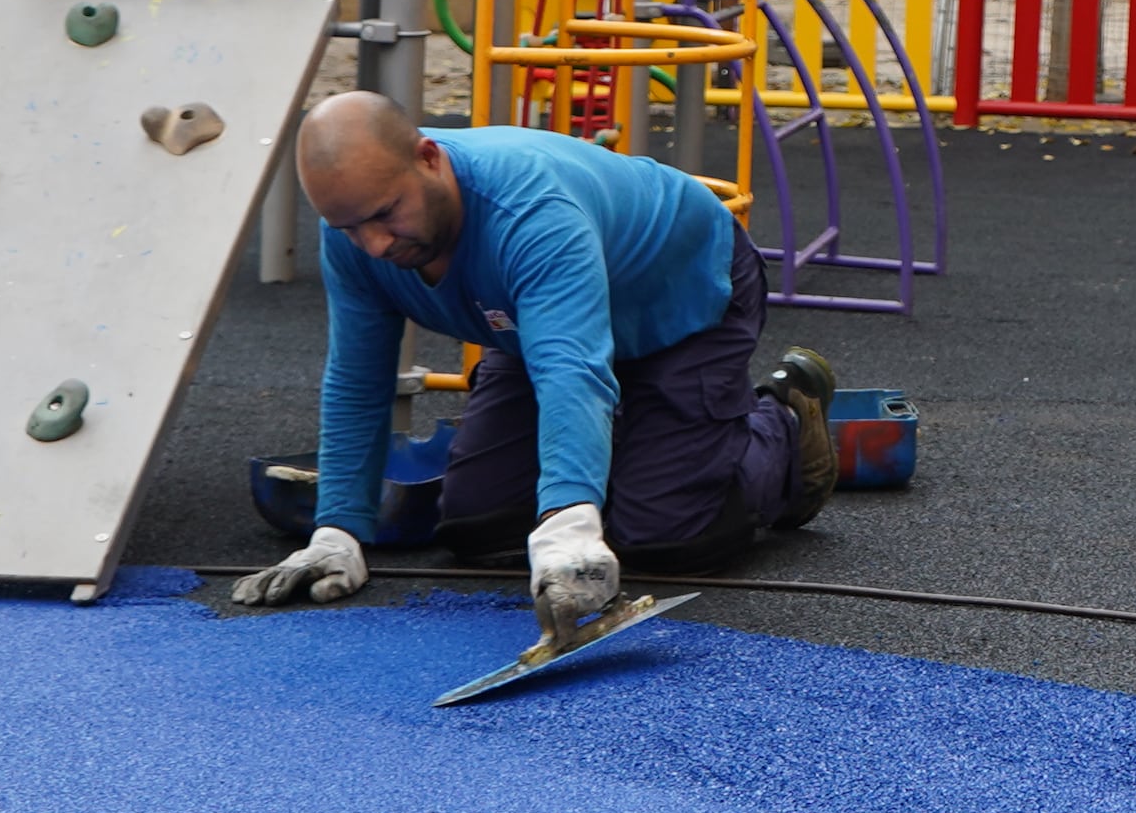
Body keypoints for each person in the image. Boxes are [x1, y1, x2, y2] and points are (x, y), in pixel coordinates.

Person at [234, 90, 842, 629]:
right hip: (535, 330)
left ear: (427, 157)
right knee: (477, 527)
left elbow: (570, 369)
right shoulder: (356, 229)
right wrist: (338, 529)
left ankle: (780, 430)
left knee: (667, 535)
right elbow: (356, 381)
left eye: (387, 215)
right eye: (350, 227)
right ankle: (642, 439)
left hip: (676, 297)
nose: (374, 244)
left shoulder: (527, 211)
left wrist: (571, 528)